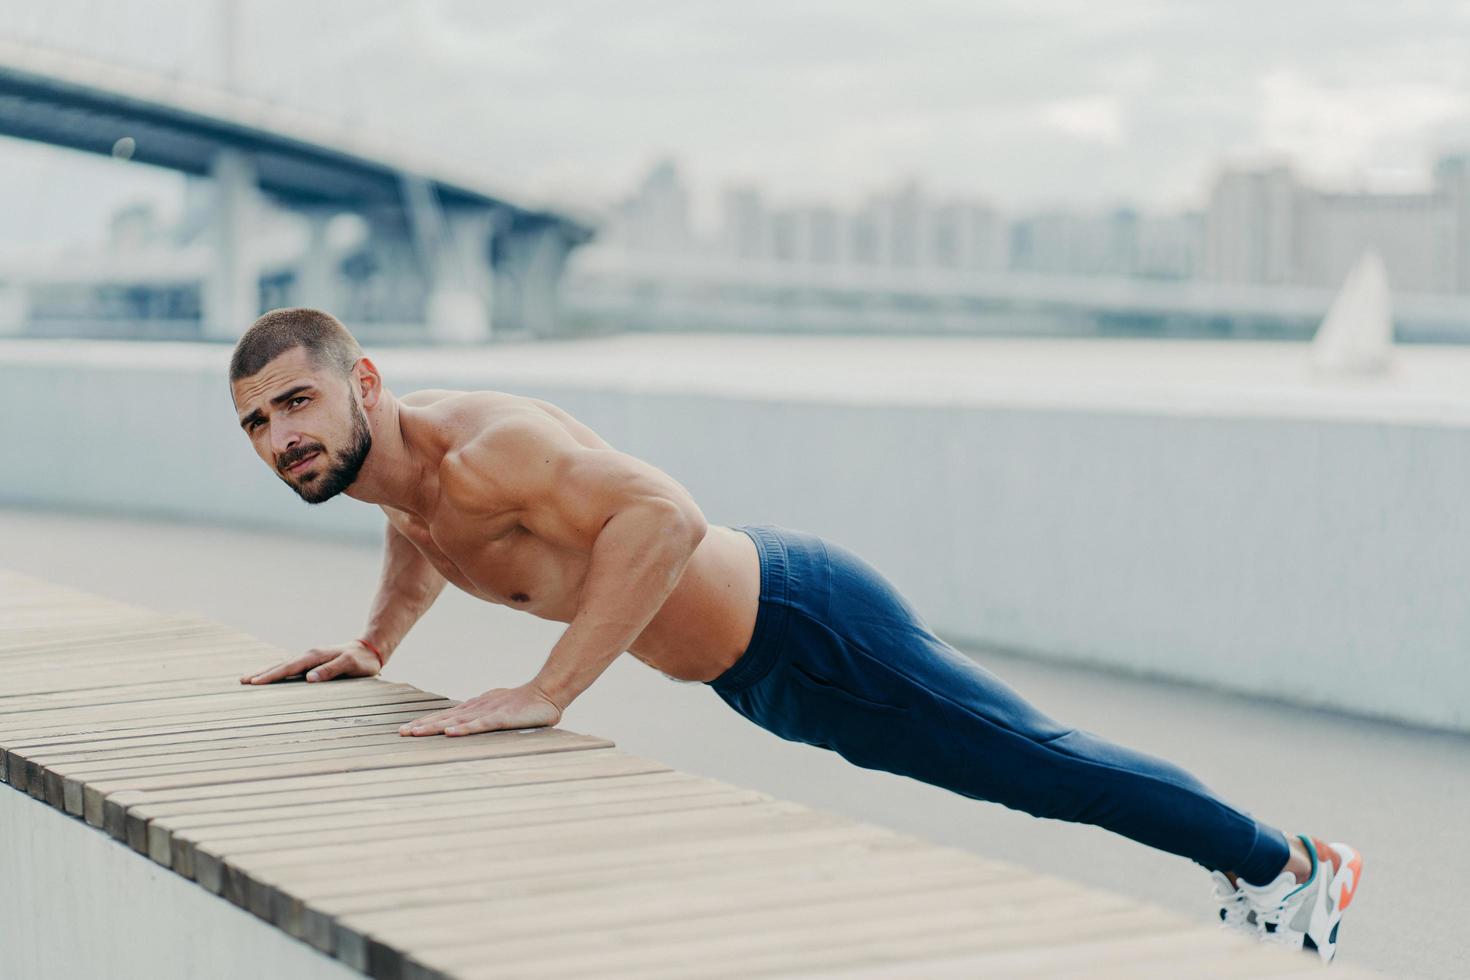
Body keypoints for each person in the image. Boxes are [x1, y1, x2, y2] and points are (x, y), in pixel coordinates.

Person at [229, 308, 1362, 963]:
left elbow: (665, 515)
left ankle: (1294, 866)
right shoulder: (404, 479)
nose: (281, 437)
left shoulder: (490, 448)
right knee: (1017, 769)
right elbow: (419, 531)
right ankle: (1267, 861)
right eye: (257, 423)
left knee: (1035, 763)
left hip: (810, 623)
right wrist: (376, 643)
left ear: (362, 381)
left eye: (296, 404)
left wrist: (551, 687)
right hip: (765, 673)